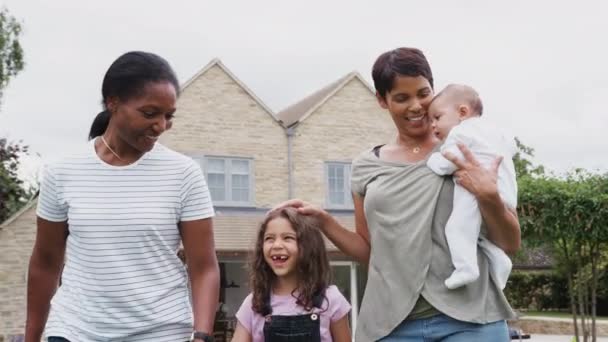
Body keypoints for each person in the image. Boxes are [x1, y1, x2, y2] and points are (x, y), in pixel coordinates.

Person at [275, 47, 520, 341]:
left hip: (472, 319)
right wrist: (325, 222)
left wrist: (489, 197)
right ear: (382, 100)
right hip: (392, 325)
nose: (416, 106)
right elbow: (371, 252)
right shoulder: (365, 167)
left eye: (423, 93)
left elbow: (509, 242)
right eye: (402, 98)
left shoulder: (468, 147)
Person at [25, 51, 220, 342]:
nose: (161, 126)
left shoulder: (183, 173)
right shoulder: (62, 171)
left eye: (168, 116)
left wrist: (202, 335)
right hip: (75, 330)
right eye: (150, 113)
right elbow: (45, 261)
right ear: (113, 102)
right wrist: (32, 337)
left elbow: (204, 266)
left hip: (160, 332)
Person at [426, 84, 517, 290]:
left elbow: (449, 163)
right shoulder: (496, 131)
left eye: (437, 117)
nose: (432, 125)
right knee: (478, 235)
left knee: (457, 228)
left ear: (462, 112)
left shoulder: (459, 133)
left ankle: (466, 269)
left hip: (474, 192)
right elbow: (512, 147)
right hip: (506, 192)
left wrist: (432, 160)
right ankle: (501, 262)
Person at [231, 207, 351, 342]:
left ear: (309, 246)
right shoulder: (254, 304)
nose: (277, 245)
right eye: (269, 238)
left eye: (288, 237)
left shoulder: (331, 300)